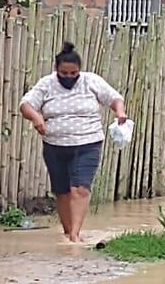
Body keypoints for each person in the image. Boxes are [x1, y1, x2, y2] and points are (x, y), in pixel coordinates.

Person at [20, 41, 127, 244]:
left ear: (79, 71)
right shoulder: (46, 84)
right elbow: (26, 104)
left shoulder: (91, 81)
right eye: (64, 74)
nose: (69, 78)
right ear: (56, 70)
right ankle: (68, 232)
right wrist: (36, 118)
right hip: (55, 146)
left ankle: (75, 235)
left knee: (80, 189)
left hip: (88, 144)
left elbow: (114, 98)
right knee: (61, 191)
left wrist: (120, 112)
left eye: (73, 74)